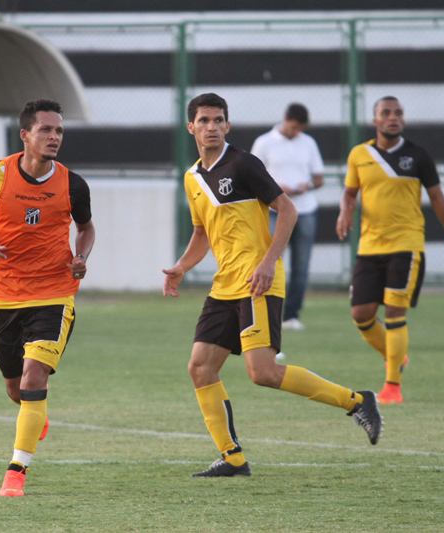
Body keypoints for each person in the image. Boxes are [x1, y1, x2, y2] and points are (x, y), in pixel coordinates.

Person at [162, 93, 381, 478]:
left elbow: (288, 210)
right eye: (204, 120)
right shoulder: (192, 177)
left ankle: (357, 401)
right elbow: (201, 232)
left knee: (262, 372)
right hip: (224, 286)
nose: (211, 127)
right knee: (199, 368)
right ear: (190, 127)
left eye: (218, 120)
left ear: (227, 126)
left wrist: (268, 262)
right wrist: (181, 266)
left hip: (257, 281)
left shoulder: (243, 163)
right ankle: (231, 458)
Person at [0, 99, 94, 497]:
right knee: (17, 391)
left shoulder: (73, 184)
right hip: (1, 297)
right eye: (46, 130)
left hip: (53, 292)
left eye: (59, 131)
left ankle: (16, 471)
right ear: (25, 135)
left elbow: (86, 228)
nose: (54, 137)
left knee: (35, 377)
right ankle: (35, 413)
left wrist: (80, 257)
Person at [336, 96, 444, 405]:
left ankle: (392, 385)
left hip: (406, 245)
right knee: (361, 315)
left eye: (398, 113)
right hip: (369, 246)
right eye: (386, 113)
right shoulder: (360, 154)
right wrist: (344, 212)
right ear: (375, 120)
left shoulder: (418, 156)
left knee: (394, 313)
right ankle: (395, 356)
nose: (393, 117)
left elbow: (437, 198)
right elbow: (349, 193)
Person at [251, 103, 324, 331]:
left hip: (305, 211)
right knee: (269, 261)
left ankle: (291, 315)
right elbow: (252, 176)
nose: (296, 132)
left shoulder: (308, 143)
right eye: (293, 127)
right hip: (275, 212)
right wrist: (274, 187)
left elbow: (319, 178)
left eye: (299, 129)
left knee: (301, 266)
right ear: (285, 119)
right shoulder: (264, 143)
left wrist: (307, 185)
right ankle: (266, 311)